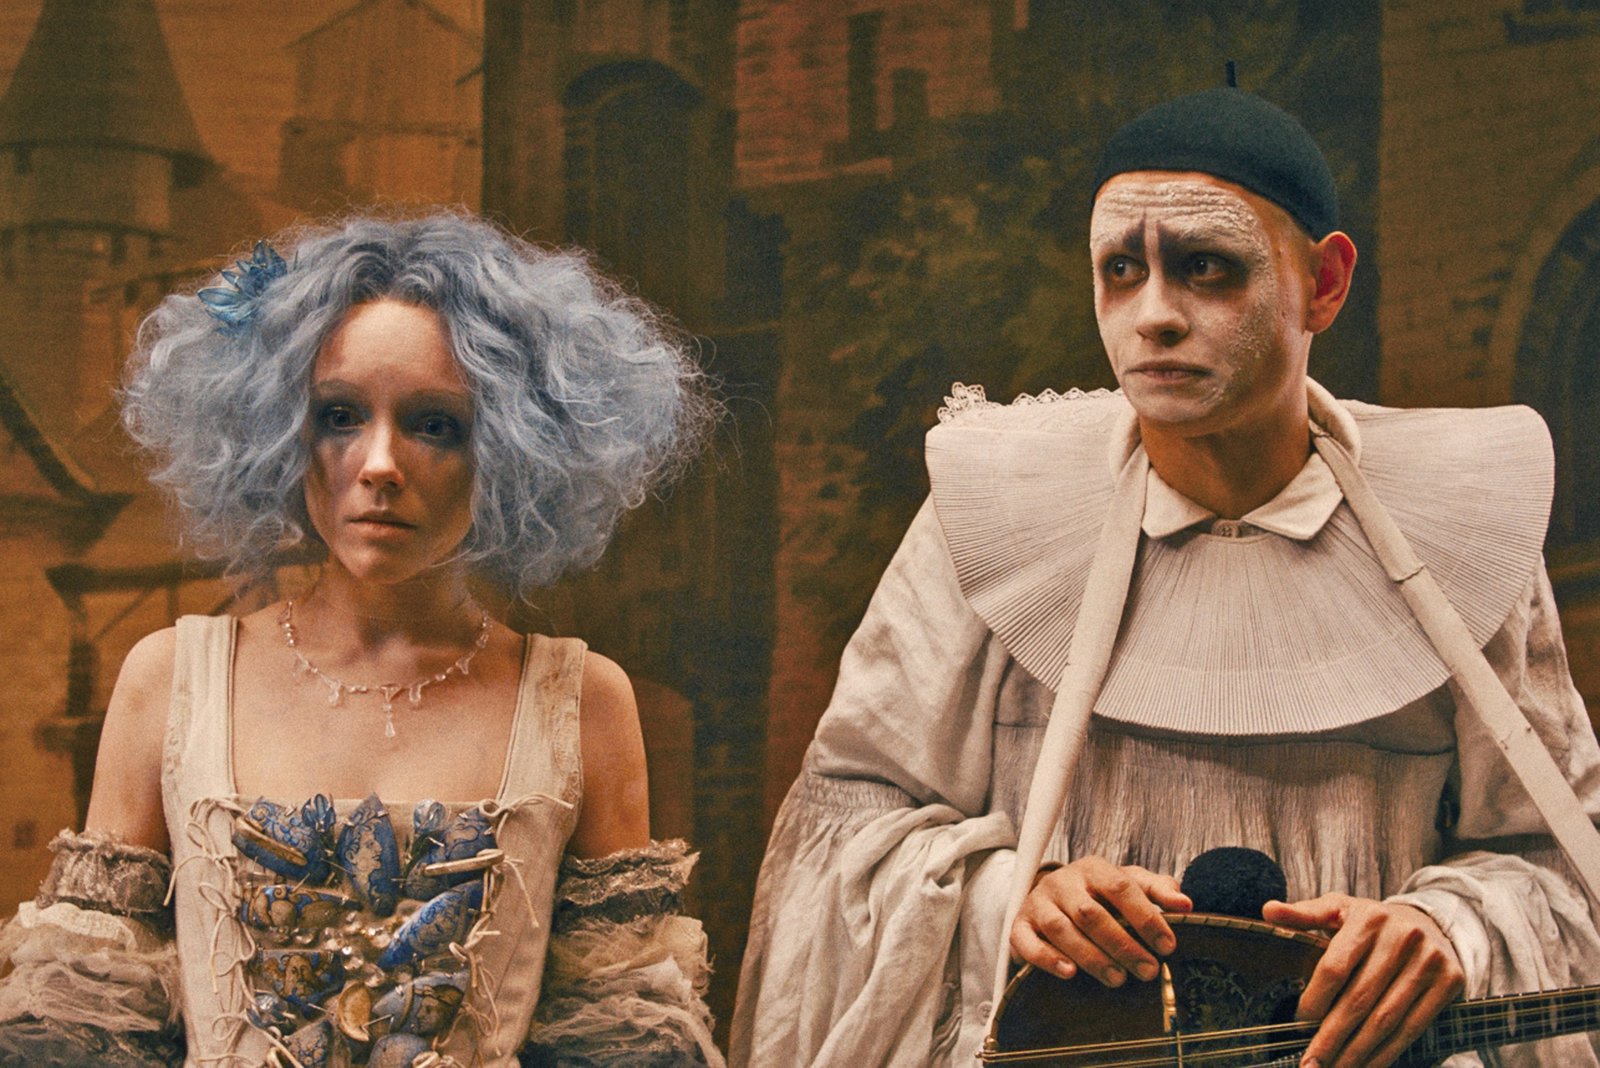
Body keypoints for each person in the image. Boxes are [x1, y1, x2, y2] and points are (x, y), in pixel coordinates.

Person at [731, 87, 1600, 1068]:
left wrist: (1450, 928)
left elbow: (1562, 864)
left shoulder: (1461, 533)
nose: (1152, 317)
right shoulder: (989, 519)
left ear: (1323, 283)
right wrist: (1017, 896)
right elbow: (845, 840)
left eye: (1205, 268)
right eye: (1120, 270)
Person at [0, 212, 725, 1067]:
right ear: (280, 433)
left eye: (434, 424)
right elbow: (87, 1028)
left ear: (512, 449)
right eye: (339, 415)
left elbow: (623, 1040)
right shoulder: (171, 680)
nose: (379, 464)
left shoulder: (581, 701)